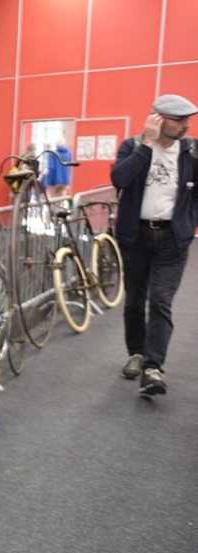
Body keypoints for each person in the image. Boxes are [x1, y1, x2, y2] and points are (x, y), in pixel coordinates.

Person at [110, 93, 198, 396]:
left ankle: (152, 368)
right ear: (157, 120)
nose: (187, 125)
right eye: (179, 119)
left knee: (160, 300)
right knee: (135, 300)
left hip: (173, 240)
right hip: (136, 237)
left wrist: (189, 221)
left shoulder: (192, 151)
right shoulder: (132, 146)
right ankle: (136, 352)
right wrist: (147, 145)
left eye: (188, 119)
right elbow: (119, 179)